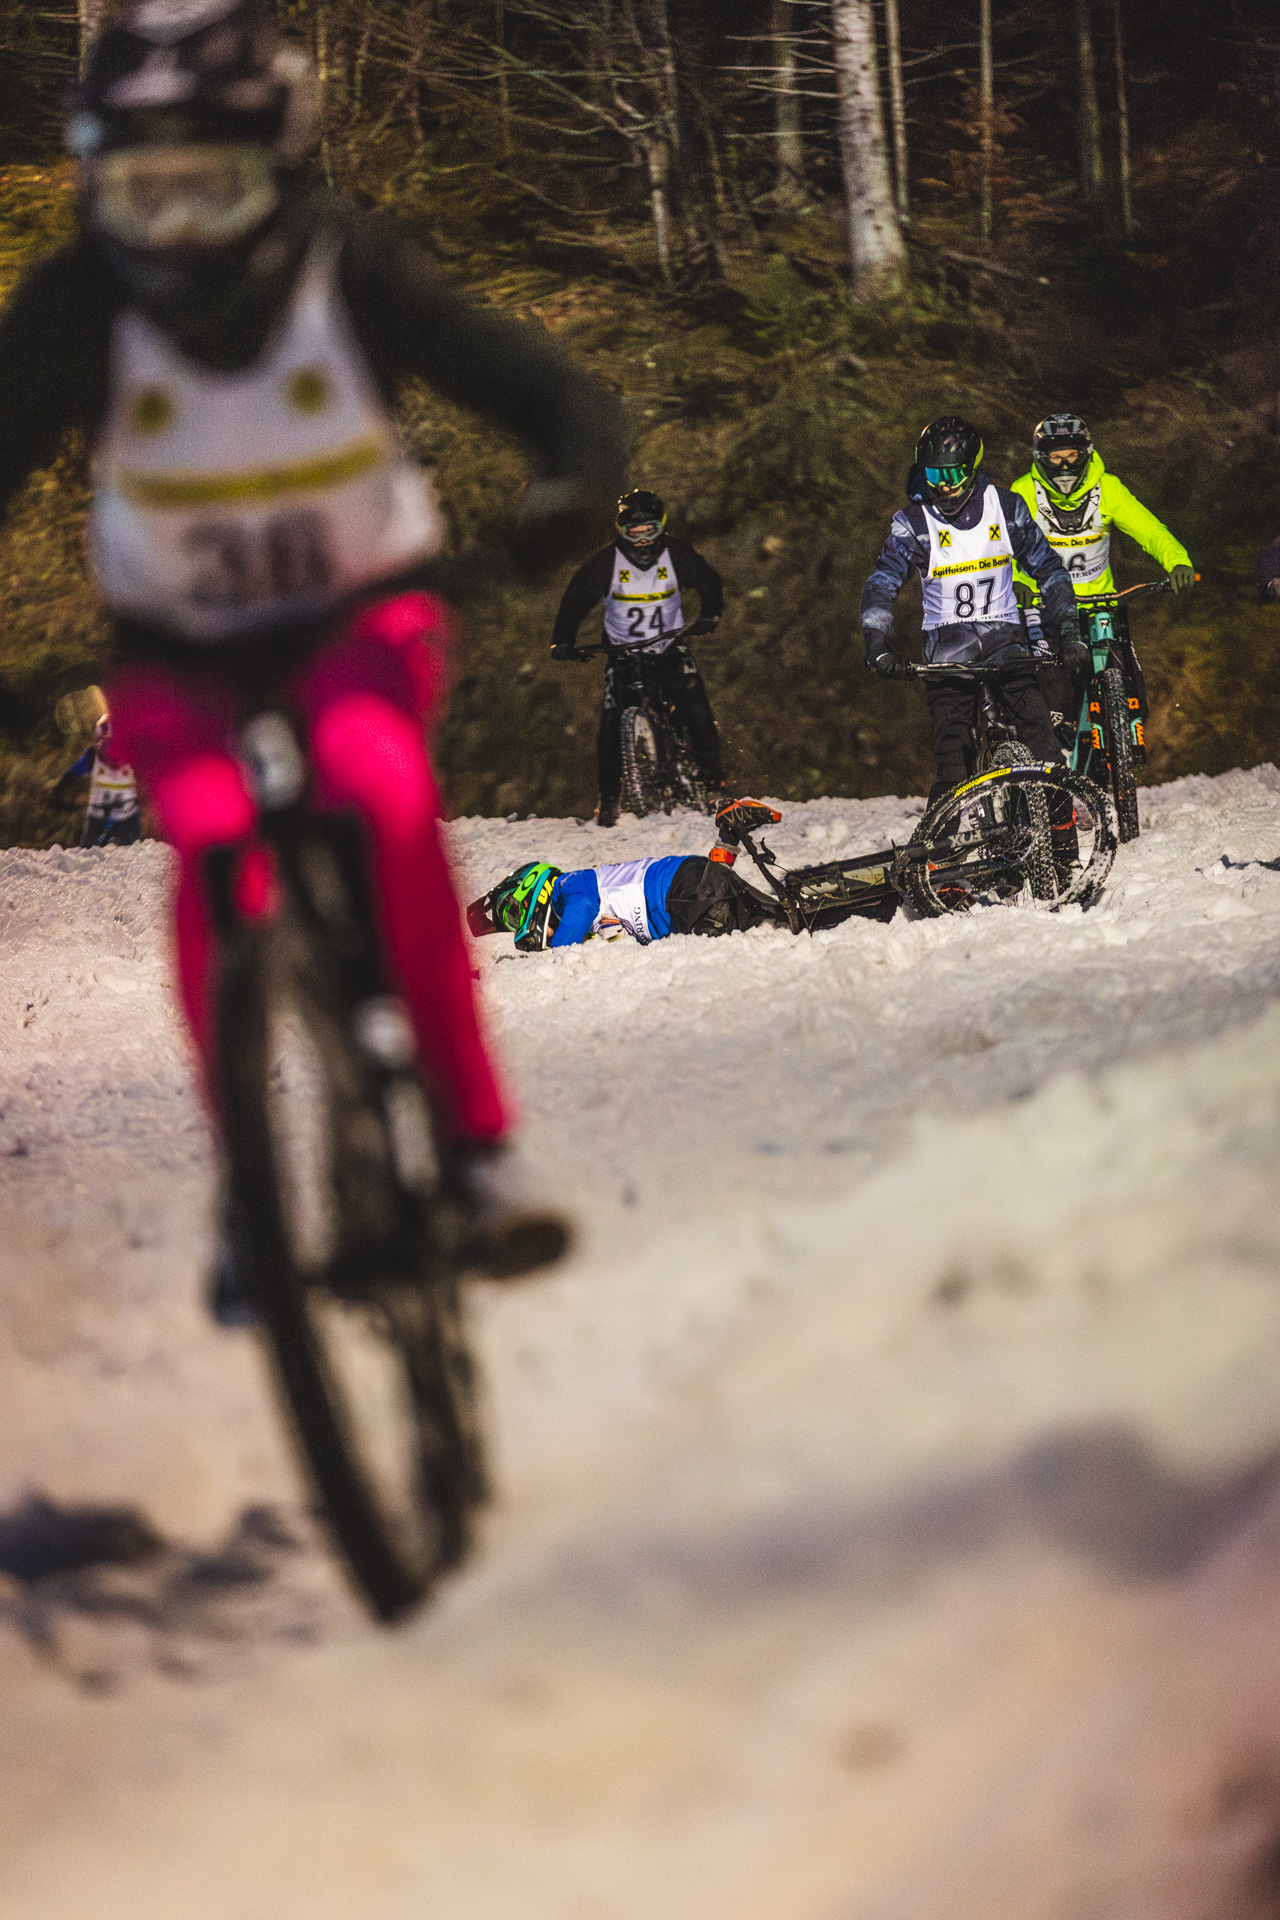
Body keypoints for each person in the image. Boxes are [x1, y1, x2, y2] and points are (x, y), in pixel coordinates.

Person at [0, 0, 625, 1311]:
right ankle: (252, 1194)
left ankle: (475, 1152)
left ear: (277, 168)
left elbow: (545, 389)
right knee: (211, 842)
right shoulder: (76, 305)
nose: (178, 235)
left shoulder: (351, 267)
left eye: (211, 191)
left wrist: (569, 482)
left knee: (381, 794)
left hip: (361, 623)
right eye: (143, 196)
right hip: (179, 656)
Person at [859, 417, 1080, 831]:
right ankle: (939, 859)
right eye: (933, 476)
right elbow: (882, 583)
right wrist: (878, 643)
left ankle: (1065, 851)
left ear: (973, 466)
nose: (943, 486)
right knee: (953, 761)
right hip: (947, 651)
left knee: (1044, 749)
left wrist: (1069, 631)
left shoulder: (1007, 508)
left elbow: (1050, 572)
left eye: (953, 474)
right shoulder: (913, 523)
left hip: (1006, 642)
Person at [1011, 414, 1194, 748]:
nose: (1065, 466)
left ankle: (1121, 741)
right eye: (1056, 457)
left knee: (1133, 684)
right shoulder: (1023, 491)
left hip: (1100, 605)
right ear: (1041, 458)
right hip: (1045, 606)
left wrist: (1177, 561)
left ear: (1087, 454)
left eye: (1072, 455)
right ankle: (1058, 747)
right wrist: (1016, 579)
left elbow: (1149, 530)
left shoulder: (1108, 488)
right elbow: (1004, 546)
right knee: (1052, 691)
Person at [550, 489, 724, 827]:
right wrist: (562, 641)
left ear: (662, 526)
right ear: (621, 530)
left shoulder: (677, 554)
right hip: (623, 654)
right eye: (634, 532)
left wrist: (710, 614)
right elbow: (574, 601)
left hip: (669, 648)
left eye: (649, 530)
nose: (642, 540)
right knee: (611, 725)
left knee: (697, 710)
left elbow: (709, 582)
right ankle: (609, 800)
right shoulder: (606, 564)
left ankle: (714, 784)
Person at [468, 801, 784, 950]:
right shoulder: (580, 915)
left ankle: (727, 836)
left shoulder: (569, 885)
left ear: (530, 890)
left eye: (513, 915)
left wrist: (557, 948)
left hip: (676, 890)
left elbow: (582, 910)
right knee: (775, 917)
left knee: (715, 923)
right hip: (685, 892)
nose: (518, 926)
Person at [54, 693, 142, 847]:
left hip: (123, 814)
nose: (109, 748)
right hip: (102, 814)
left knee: (131, 850)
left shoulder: (130, 756)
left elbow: (150, 775)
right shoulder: (92, 756)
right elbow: (72, 774)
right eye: (105, 743)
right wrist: (60, 790)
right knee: (89, 850)